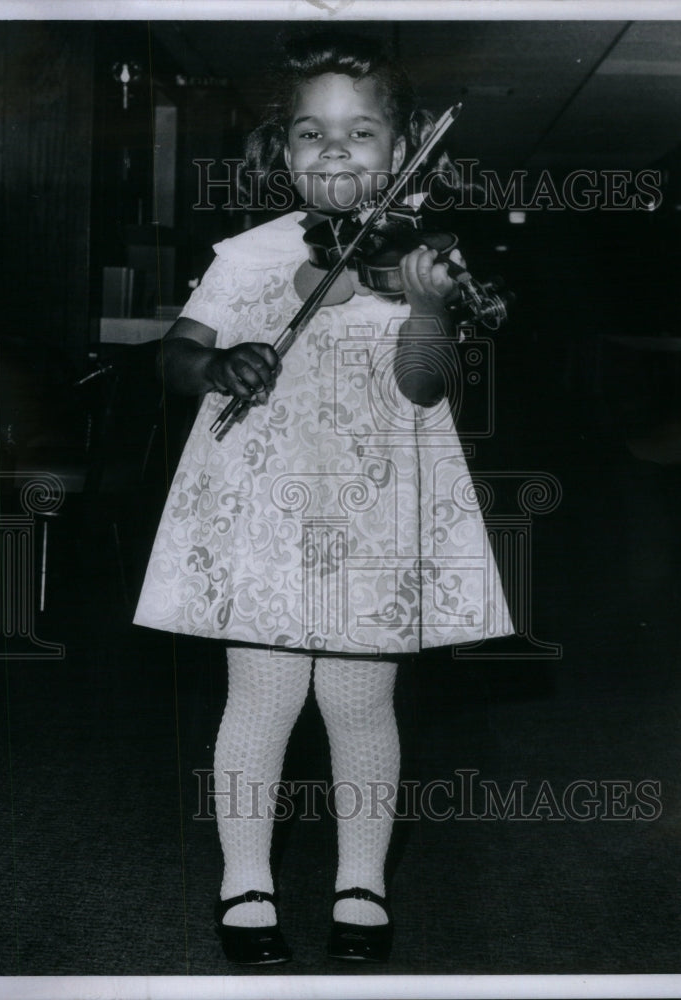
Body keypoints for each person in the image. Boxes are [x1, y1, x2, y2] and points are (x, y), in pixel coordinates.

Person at [134, 29, 513, 966]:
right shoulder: (254, 253)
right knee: (259, 699)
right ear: (283, 151)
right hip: (259, 509)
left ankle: (361, 880)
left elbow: (422, 388)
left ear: (403, 145)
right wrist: (215, 363)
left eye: (362, 133)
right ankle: (245, 881)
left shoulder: (419, 255)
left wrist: (427, 304)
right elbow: (175, 354)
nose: (336, 151)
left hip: (372, 508)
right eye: (311, 133)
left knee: (357, 704)